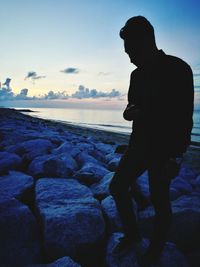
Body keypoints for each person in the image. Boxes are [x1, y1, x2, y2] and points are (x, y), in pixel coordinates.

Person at [109, 16, 194, 266]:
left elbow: (184, 117)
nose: (130, 57)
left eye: (131, 50)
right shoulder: (136, 76)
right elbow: (130, 108)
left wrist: (177, 156)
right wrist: (128, 114)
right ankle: (133, 235)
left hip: (164, 149)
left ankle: (156, 250)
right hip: (139, 145)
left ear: (146, 41)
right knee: (116, 188)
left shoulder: (178, 68)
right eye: (127, 52)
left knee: (160, 201)